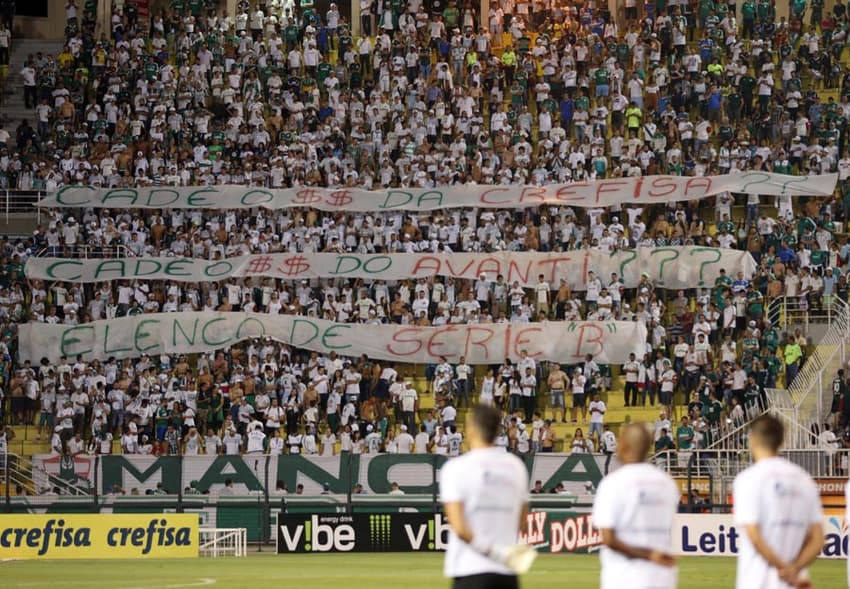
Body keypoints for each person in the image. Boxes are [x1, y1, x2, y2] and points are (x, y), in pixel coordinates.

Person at [441, 404, 536, 589]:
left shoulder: (456, 468)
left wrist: (492, 552)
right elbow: (522, 520)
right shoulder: (516, 466)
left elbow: (459, 527)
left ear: (471, 429)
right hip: (506, 573)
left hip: (469, 569)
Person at [733, 415, 824, 589]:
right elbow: (817, 539)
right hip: (794, 582)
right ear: (781, 439)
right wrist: (794, 568)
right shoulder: (804, 480)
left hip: (756, 581)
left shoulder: (748, 479)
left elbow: (754, 535)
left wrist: (782, 568)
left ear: (752, 439)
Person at [592, 423, 679, 589]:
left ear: (623, 445)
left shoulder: (613, 483)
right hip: (662, 578)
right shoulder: (667, 483)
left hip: (625, 578)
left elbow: (609, 539)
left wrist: (648, 555)